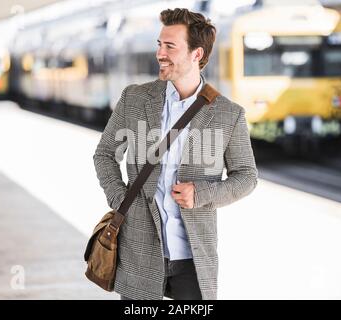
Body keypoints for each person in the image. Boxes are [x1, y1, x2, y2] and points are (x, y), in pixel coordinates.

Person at [93, 8, 258, 300]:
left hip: (194, 259)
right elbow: (105, 153)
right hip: (139, 252)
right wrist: (120, 199)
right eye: (159, 44)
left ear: (197, 54)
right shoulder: (134, 98)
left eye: (170, 46)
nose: (160, 53)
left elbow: (247, 177)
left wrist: (202, 193)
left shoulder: (228, 114)